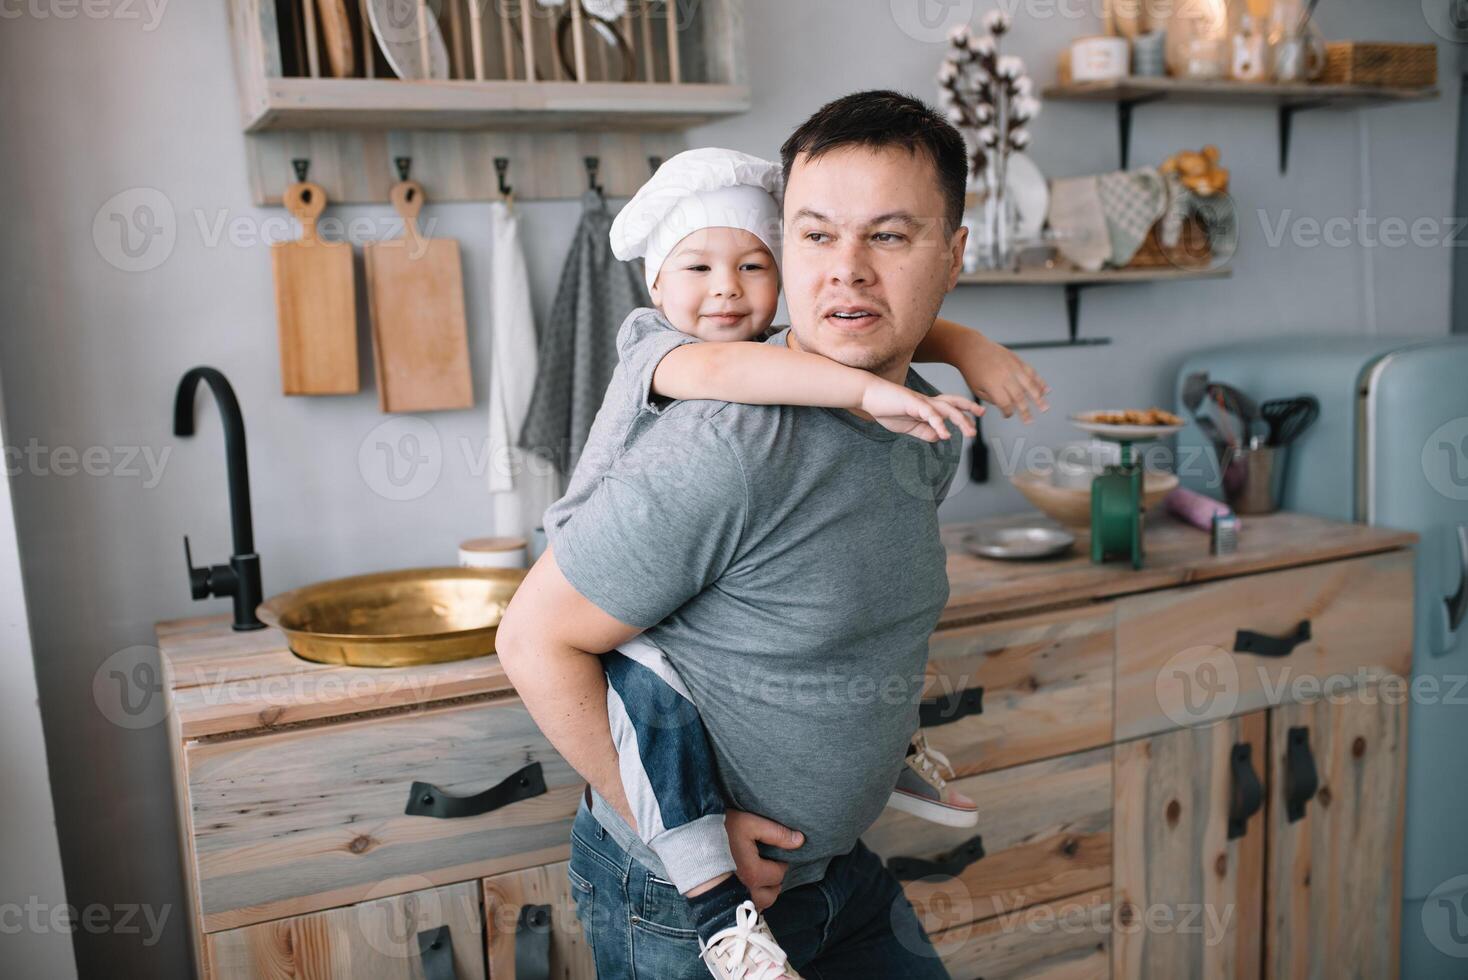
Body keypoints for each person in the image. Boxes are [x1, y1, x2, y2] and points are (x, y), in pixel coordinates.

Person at [497, 90, 1049, 979]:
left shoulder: (916, 416)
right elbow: (531, 638)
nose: (847, 271)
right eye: (817, 235)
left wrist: (966, 342)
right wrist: (697, 851)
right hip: (698, 908)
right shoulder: (729, 441)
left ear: (954, 255)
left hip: (841, 875)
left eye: (891, 236)